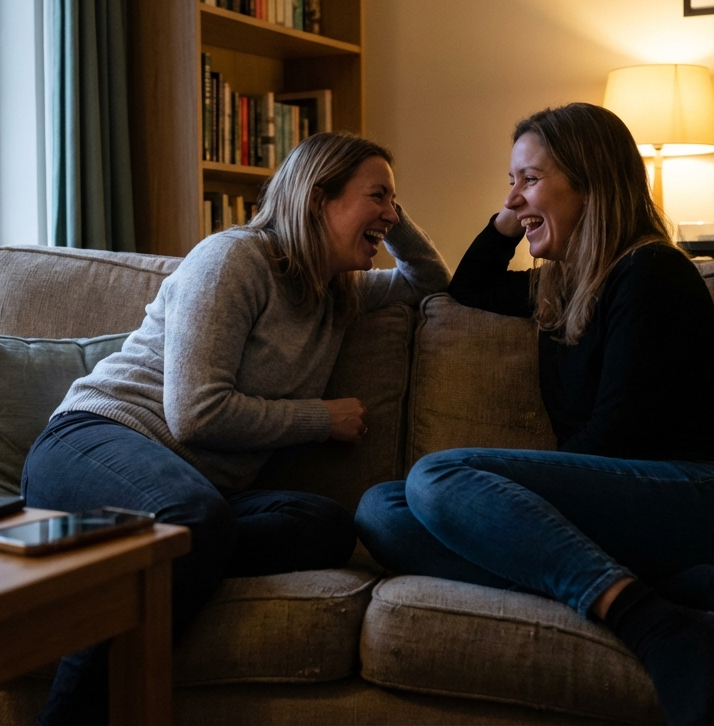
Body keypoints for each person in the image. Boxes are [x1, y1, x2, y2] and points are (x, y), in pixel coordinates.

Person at [354, 103, 714, 726]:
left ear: (592, 182)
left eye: (530, 179)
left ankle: (653, 624)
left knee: (439, 479)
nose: (515, 198)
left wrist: (502, 493)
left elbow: (618, 438)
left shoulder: (651, 272)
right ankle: (654, 588)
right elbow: (466, 287)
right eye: (512, 182)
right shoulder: (560, 289)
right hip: (640, 521)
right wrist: (513, 213)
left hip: (712, 499)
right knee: (381, 511)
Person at [23, 132, 450, 725]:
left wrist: (388, 217)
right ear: (317, 199)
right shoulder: (233, 258)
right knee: (194, 519)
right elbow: (195, 412)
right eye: (376, 196)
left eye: (394, 201)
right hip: (94, 442)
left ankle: (141, 561)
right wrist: (319, 420)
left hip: (195, 490)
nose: (390, 212)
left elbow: (430, 279)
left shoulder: (338, 294)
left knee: (325, 524)